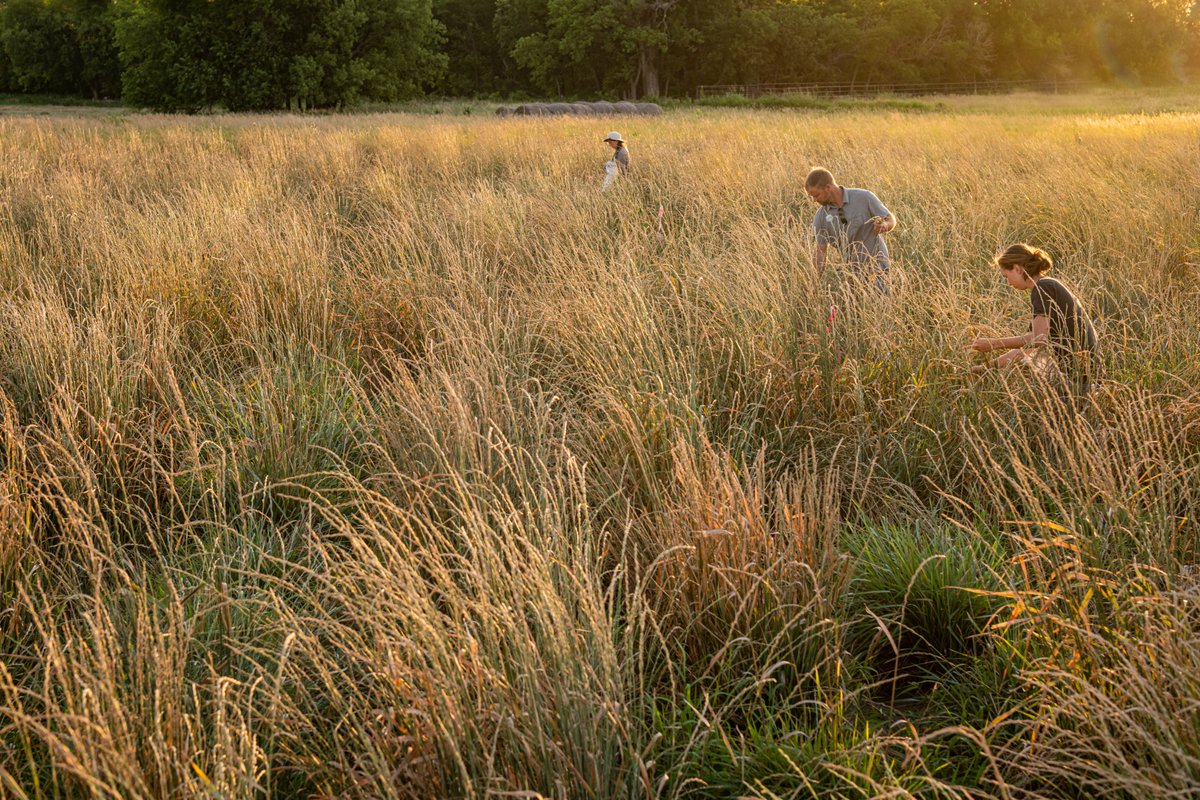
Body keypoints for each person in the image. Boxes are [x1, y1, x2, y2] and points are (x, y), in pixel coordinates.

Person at [967, 243, 1098, 399]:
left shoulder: (1043, 287)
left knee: (1025, 371)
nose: (1008, 283)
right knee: (1028, 361)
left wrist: (994, 344)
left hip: (1080, 379)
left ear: (1017, 268)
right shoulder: (1047, 286)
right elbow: (1027, 348)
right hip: (1085, 375)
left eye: (1006, 276)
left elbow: (1038, 340)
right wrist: (985, 368)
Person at [805, 167, 897, 293]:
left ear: (828, 187)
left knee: (881, 302)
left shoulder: (864, 197)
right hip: (851, 274)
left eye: (816, 195)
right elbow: (820, 252)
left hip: (878, 266)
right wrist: (813, 285)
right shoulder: (820, 217)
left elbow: (890, 218)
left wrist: (885, 225)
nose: (814, 200)